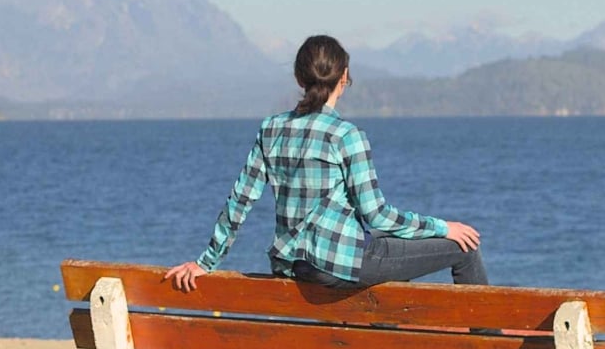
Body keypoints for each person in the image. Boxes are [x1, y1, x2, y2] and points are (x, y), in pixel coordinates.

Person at [165, 35, 486, 292]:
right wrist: (444, 227)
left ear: (298, 77)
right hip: (339, 264)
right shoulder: (347, 135)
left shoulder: (272, 128)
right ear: (344, 76)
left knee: (389, 251)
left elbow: (240, 202)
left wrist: (206, 262)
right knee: (465, 249)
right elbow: (377, 215)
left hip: (291, 264)